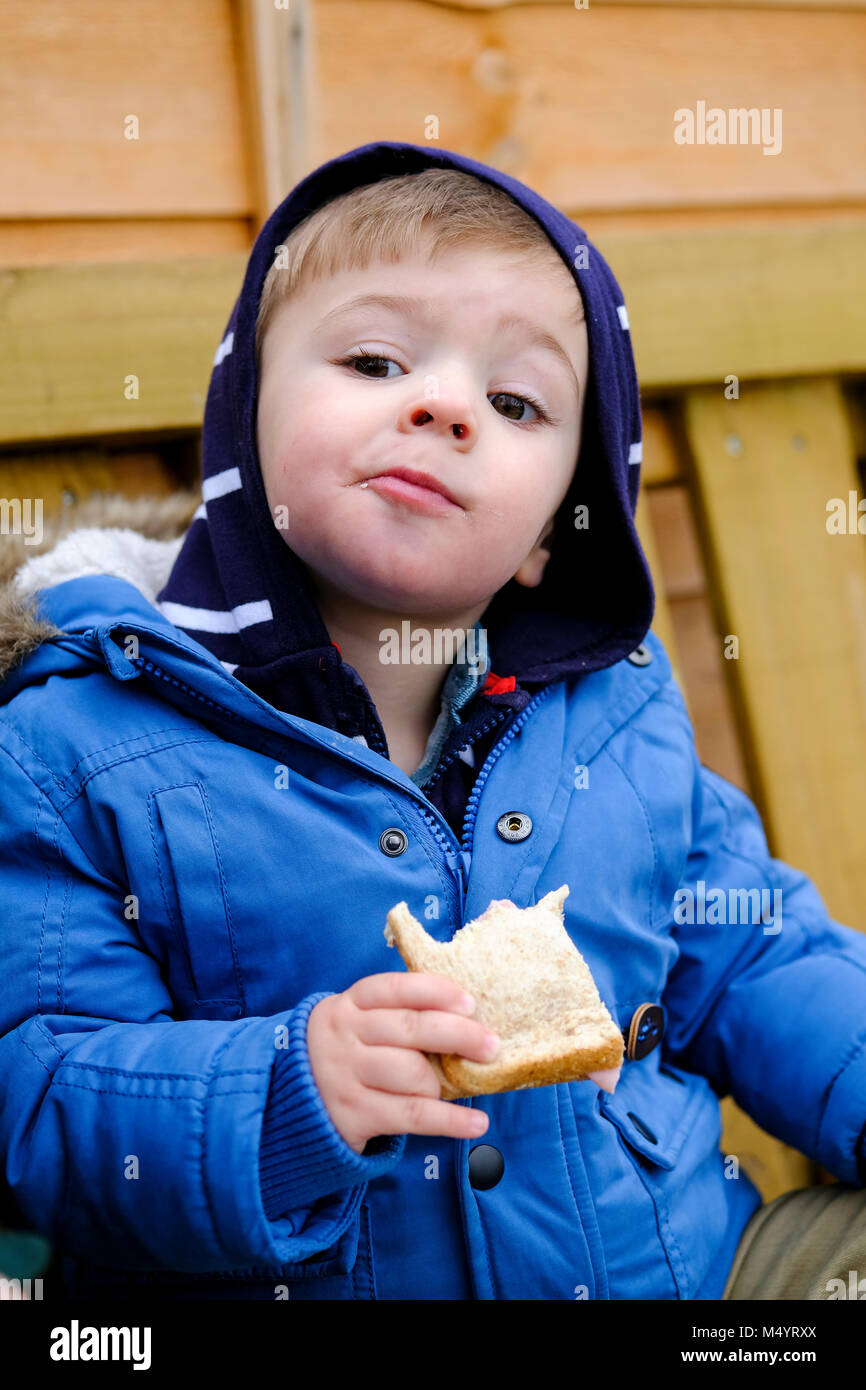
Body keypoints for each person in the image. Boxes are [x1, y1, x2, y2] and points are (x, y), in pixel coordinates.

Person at [0, 140, 864, 1302]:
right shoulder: (81, 741)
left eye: (513, 400)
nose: (445, 403)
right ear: (245, 413)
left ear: (554, 532)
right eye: (373, 358)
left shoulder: (612, 713)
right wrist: (286, 1089)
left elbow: (752, 954)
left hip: (695, 1276)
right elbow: (41, 1096)